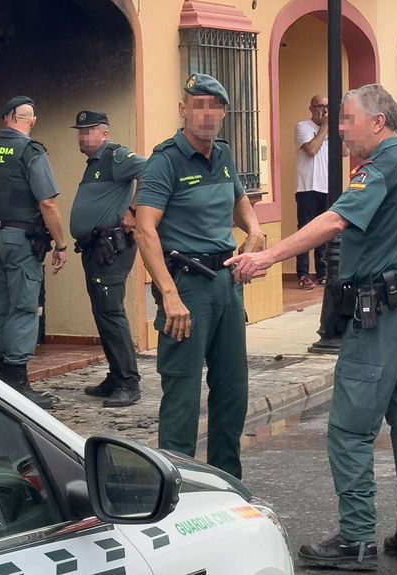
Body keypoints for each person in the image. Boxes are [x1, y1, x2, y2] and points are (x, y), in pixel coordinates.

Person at [228, 84, 397, 570]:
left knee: (350, 430)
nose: (341, 129)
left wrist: (267, 256)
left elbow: (333, 222)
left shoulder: (381, 168)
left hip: (383, 314)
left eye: (348, 119)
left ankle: (357, 539)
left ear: (379, 122)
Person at [136, 73, 264, 479]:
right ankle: (179, 485)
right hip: (186, 285)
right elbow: (144, 228)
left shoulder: (223, 155)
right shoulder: (165, 161)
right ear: (183, 110)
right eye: (198, 104)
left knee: (232, 390)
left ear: (224, 113)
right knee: (183, 394)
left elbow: (240, 200)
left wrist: (256, 231)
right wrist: (169, 294)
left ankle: (227, 480)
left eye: (214, 105)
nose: (206, 113)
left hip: (226, 282)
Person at [0, 96, 69, 409]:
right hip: (22, 239)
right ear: (30, 121)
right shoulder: (31, 151)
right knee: (22, 307)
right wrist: (61, 244)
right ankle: (18, 382)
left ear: (7, 118)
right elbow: (48, 203)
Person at [70, 110, 147, 407]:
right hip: (95, 248)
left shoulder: (116, 156)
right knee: (103, 312)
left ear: (104, 133)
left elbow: (151, 171)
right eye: (80, 131)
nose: (83, 136)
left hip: (112, 248)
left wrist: (134, 210)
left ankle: (129, 382)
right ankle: (116, 376)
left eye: (89, 131)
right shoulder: (94, 163)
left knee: (112, 313)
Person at [294, 95, 332, 289]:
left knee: (324, 232)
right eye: (319, 107)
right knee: (305, 231)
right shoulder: (303, 127)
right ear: (311, 108)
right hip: (308, 187)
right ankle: (303, 274)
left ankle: (323, 273)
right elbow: (311, 150)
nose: (324, 110)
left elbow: (344, 152)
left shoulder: (332, 129)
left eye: (327, 107)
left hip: (327, 187)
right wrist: (325, 127)